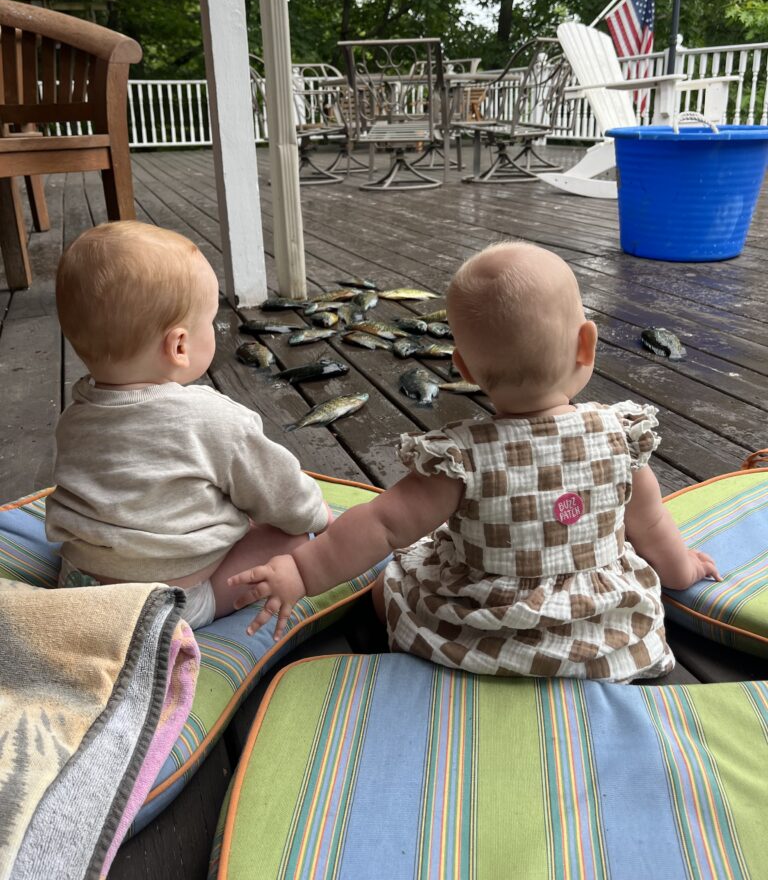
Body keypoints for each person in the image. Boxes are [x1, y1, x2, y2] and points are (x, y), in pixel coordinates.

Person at [229, 241, 720, 682]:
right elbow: (651, 522)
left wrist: (302, 572)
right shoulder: (620, 437)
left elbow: (380, 527)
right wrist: (682, 571)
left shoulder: (462, 457)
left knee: (390, 585)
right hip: (599, 634)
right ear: (586, 344)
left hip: (482, 634)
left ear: (461, 367)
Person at [46, 221, 331, 629]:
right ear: (179, 346)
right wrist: (319, 516)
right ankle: (211, 601)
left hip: (79, 586)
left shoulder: (74, 416)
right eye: (211, 323)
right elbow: (281, 492)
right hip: (167, 606)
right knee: (290, 535)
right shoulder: (212, 418)